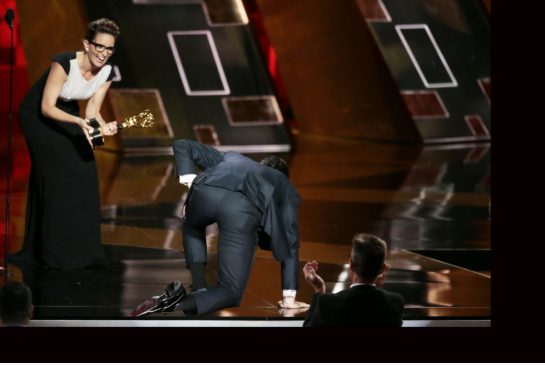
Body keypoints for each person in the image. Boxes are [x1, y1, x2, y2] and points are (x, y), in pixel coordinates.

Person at [130, 139, 308, 316]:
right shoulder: (283, 184)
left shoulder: (232, 157)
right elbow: (290, 243)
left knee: (192, 225)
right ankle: (173, 303)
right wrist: (289, 297)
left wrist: (190, 182)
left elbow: (182, 145)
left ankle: (198, 285)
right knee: (230, 290)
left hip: (202, 191)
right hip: (240, 211)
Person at [10, 18, 120, 270]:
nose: (104, 54)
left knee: (84, 168)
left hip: (69, 113)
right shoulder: (64, 63)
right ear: (87, 44)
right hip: (37, 116)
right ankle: (53, 252)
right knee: (57, 171)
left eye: (109, 49)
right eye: (99, 47)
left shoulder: (107, 72)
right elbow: (46, 107)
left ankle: (84, 249)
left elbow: (92, 109)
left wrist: (103, 127)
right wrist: (79, 122)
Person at [302, 233, 404, 327]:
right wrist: (375, 288)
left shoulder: (327, 303)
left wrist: (319, 289)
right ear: (382, 270)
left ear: (350, 264)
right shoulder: (395, 303)